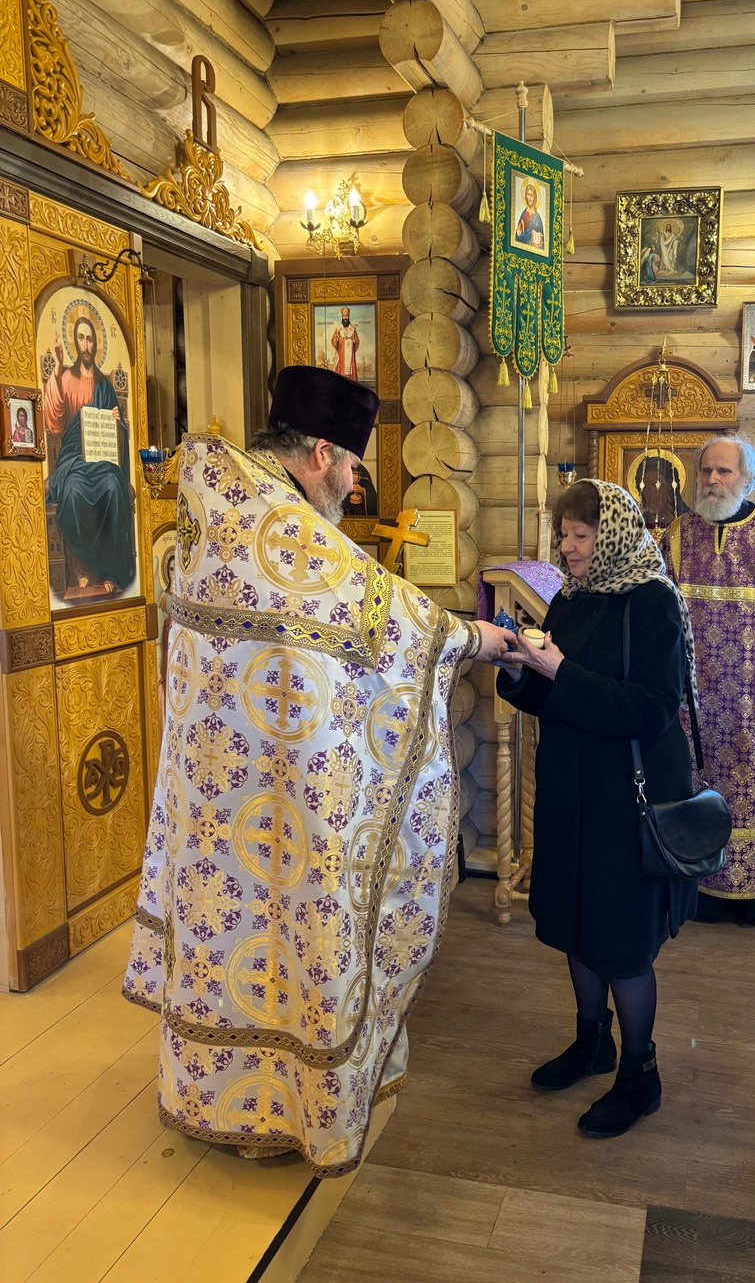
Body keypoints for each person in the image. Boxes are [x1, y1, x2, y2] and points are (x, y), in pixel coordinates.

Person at [124, 364, 512, 1176]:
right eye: (353, 466)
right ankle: (290, 1107)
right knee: (294, 931)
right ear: (322, 453)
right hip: (282, 794)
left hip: (214, 791)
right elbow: (395, 620)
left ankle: (213, 1097)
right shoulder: (283, 528)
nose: (354, 485)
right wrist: (482, 639)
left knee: (227, 931)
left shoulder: (213, 509)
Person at [496, 479, 698, 1138]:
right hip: (570, 788)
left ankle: (641, 1073)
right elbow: (551, 694)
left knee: (620, 940)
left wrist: (561, 672)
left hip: (625, 799)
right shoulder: (571, 596)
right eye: (564, 535)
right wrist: (520, 670)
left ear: (610, 535)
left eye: (581, 535)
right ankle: (593, 1042)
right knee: (575, 919)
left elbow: (653, 708)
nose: (569, 547)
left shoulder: (652, 600)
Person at [663, 435, 755, 928]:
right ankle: (694, 890)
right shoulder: (678, 534)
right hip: (689, 697)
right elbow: (660, 611)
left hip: (752, 699)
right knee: (691, 786)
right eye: (706, 470)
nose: (712, 480)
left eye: (724, 471)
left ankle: (754, 898)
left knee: (754, 791)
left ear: (748, 478)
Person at [44, 314, 136, 594]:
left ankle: (109, 571)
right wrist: (57, 368)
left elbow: (120, 432)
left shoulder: (104, 385)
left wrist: (117, 422)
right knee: (72, 491)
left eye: (90, 339)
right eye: (81, 338)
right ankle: (84, 568)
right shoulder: (66, 378)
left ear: (96, 344)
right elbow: (55, 423)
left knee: (113, 487)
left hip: (103, 461)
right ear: (75, 342)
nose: (86, 345)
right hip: (74, 460)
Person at [330, 307, 360, 379]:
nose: (345, 318)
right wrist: (336, 339)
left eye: (347, 316)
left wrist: (355, 341)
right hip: (341, 355)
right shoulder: (338, 328)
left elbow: (357, 341)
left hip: (350, 355)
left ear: (349, 316)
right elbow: (333, 340)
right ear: (342, 316)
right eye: (344, 316)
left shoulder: (352, 329)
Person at [514, 180, 545, 249]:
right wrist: (518, 233)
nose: (530, 198)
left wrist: (539, 242)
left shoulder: (538, 218)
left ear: (535, 198)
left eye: (532, 195)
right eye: (528, 194)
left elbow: (542, 242)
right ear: (525, 196)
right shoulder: (523, 214)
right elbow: (517, 237)